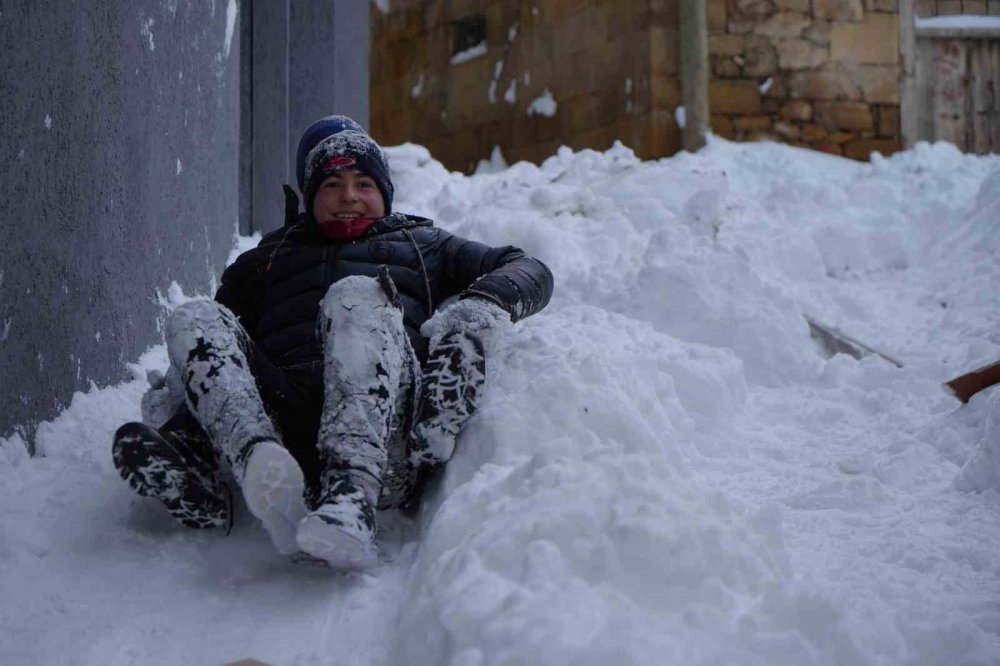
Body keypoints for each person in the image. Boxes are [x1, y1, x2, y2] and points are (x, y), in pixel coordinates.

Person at [111, 116, 554, 571]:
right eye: (332, 184)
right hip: (282, 428)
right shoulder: (268, 258)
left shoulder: (424, 244)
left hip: (384, 441)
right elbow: (212, 357)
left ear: (384, 192)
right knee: (196, 315)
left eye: (364, 182)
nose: (348, 197)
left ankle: (351, 499)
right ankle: (231, 469)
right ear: (310, 196)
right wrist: (184, 423)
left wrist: (479, 305)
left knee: (357, 294)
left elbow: (528, 267)